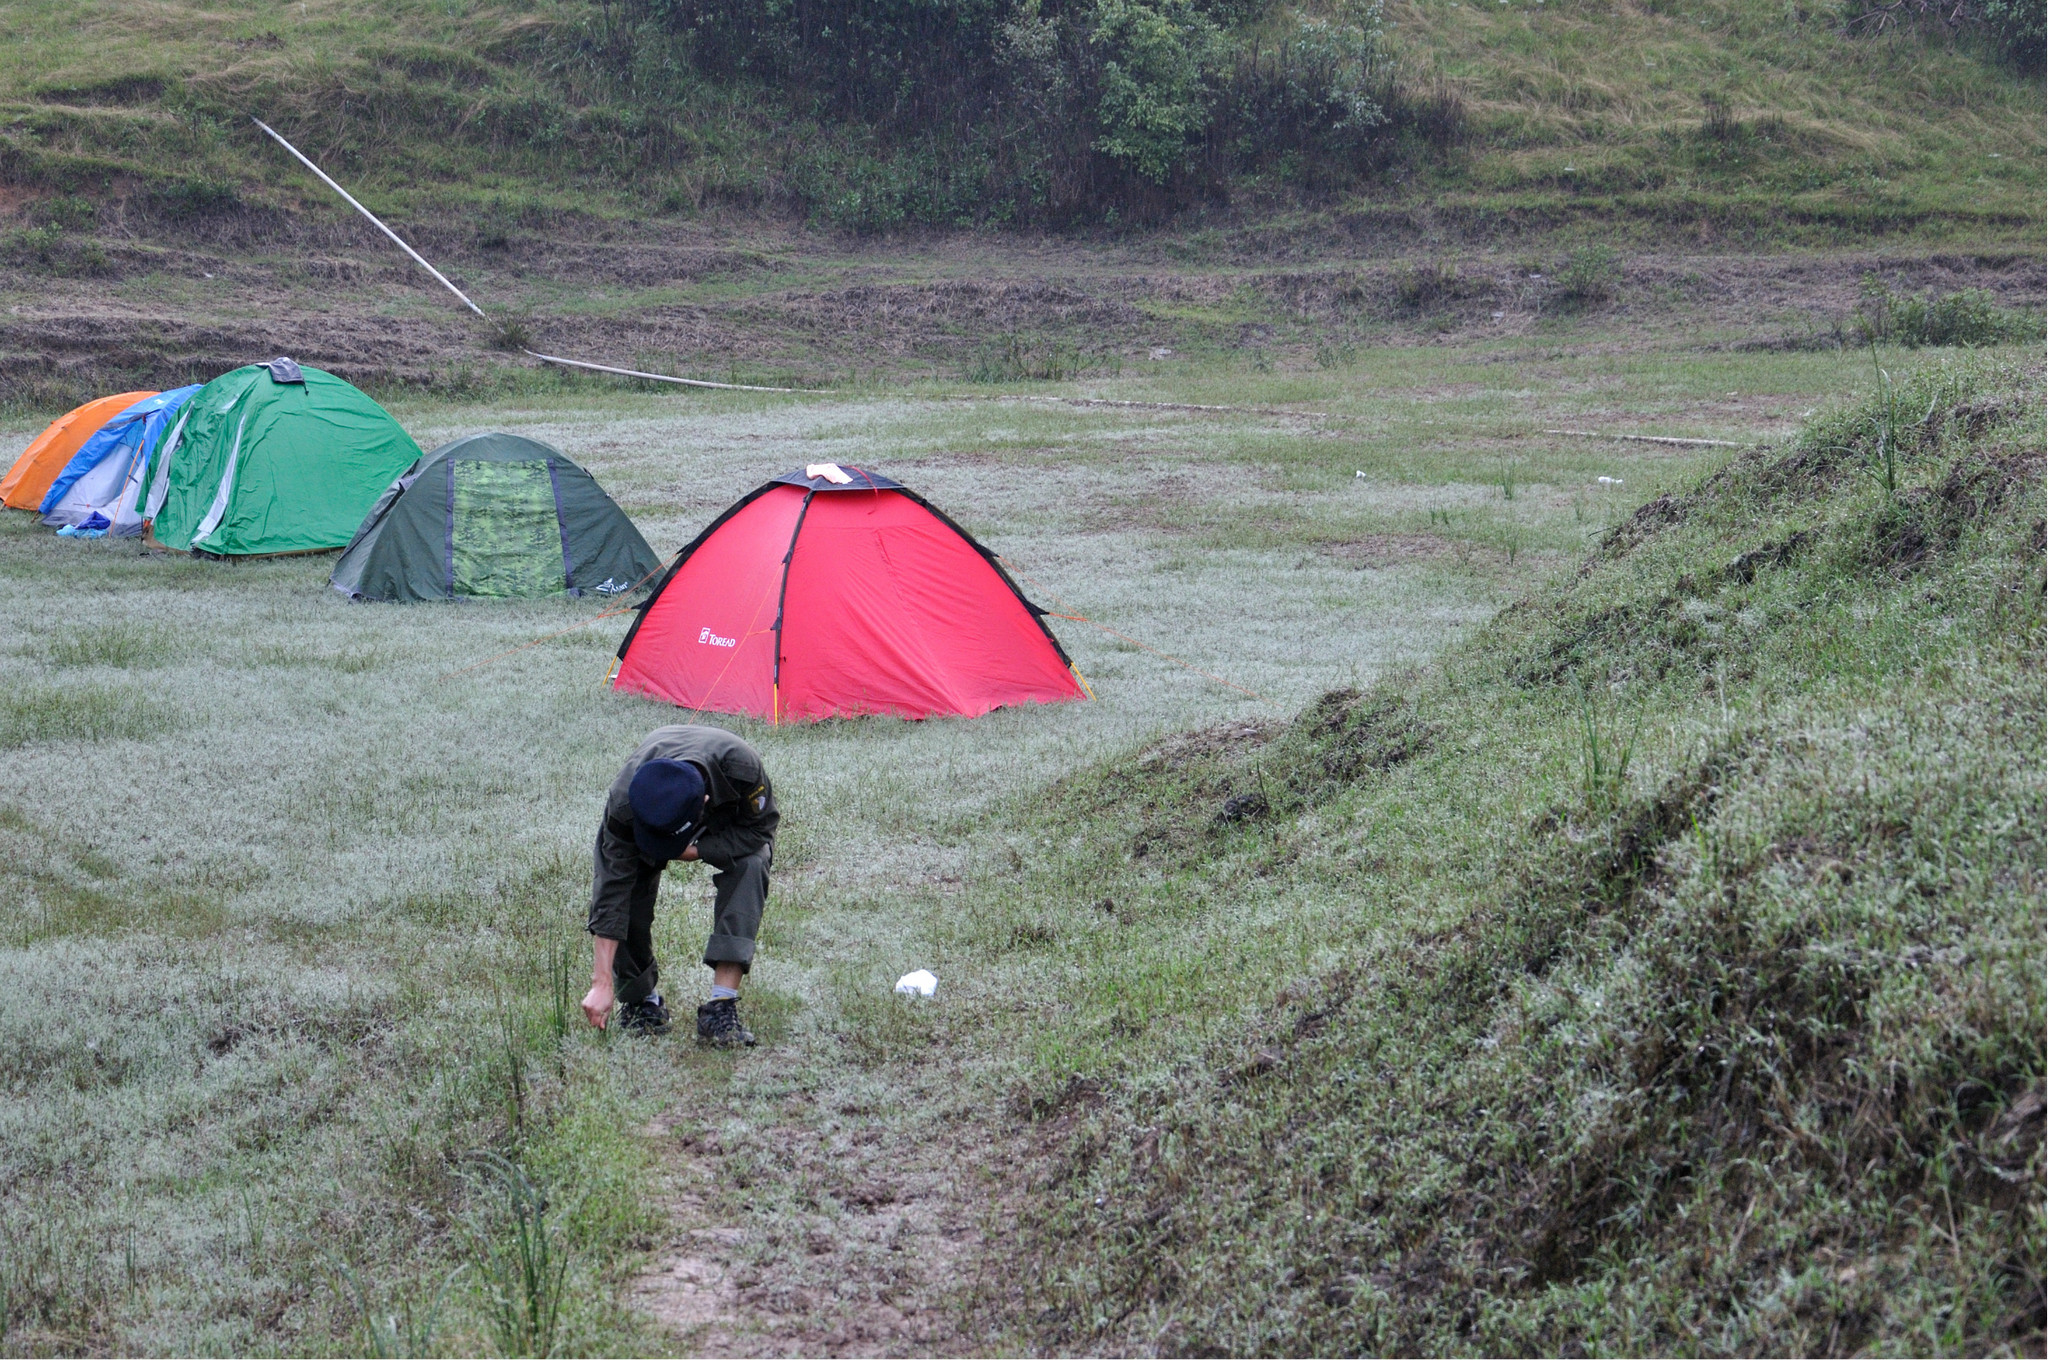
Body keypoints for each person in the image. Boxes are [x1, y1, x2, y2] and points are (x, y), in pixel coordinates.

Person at [580, 724, 778, 1046]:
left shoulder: (742, 769)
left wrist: (701, 850)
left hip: (719, 818)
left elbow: (761, 829)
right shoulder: (626, 801)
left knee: (753, 861)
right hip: (655, 810)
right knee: (629, 898)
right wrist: (602, 982)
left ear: (703, 802)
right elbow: (610, 892)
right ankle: (642, 1003)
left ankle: (721, 1008)